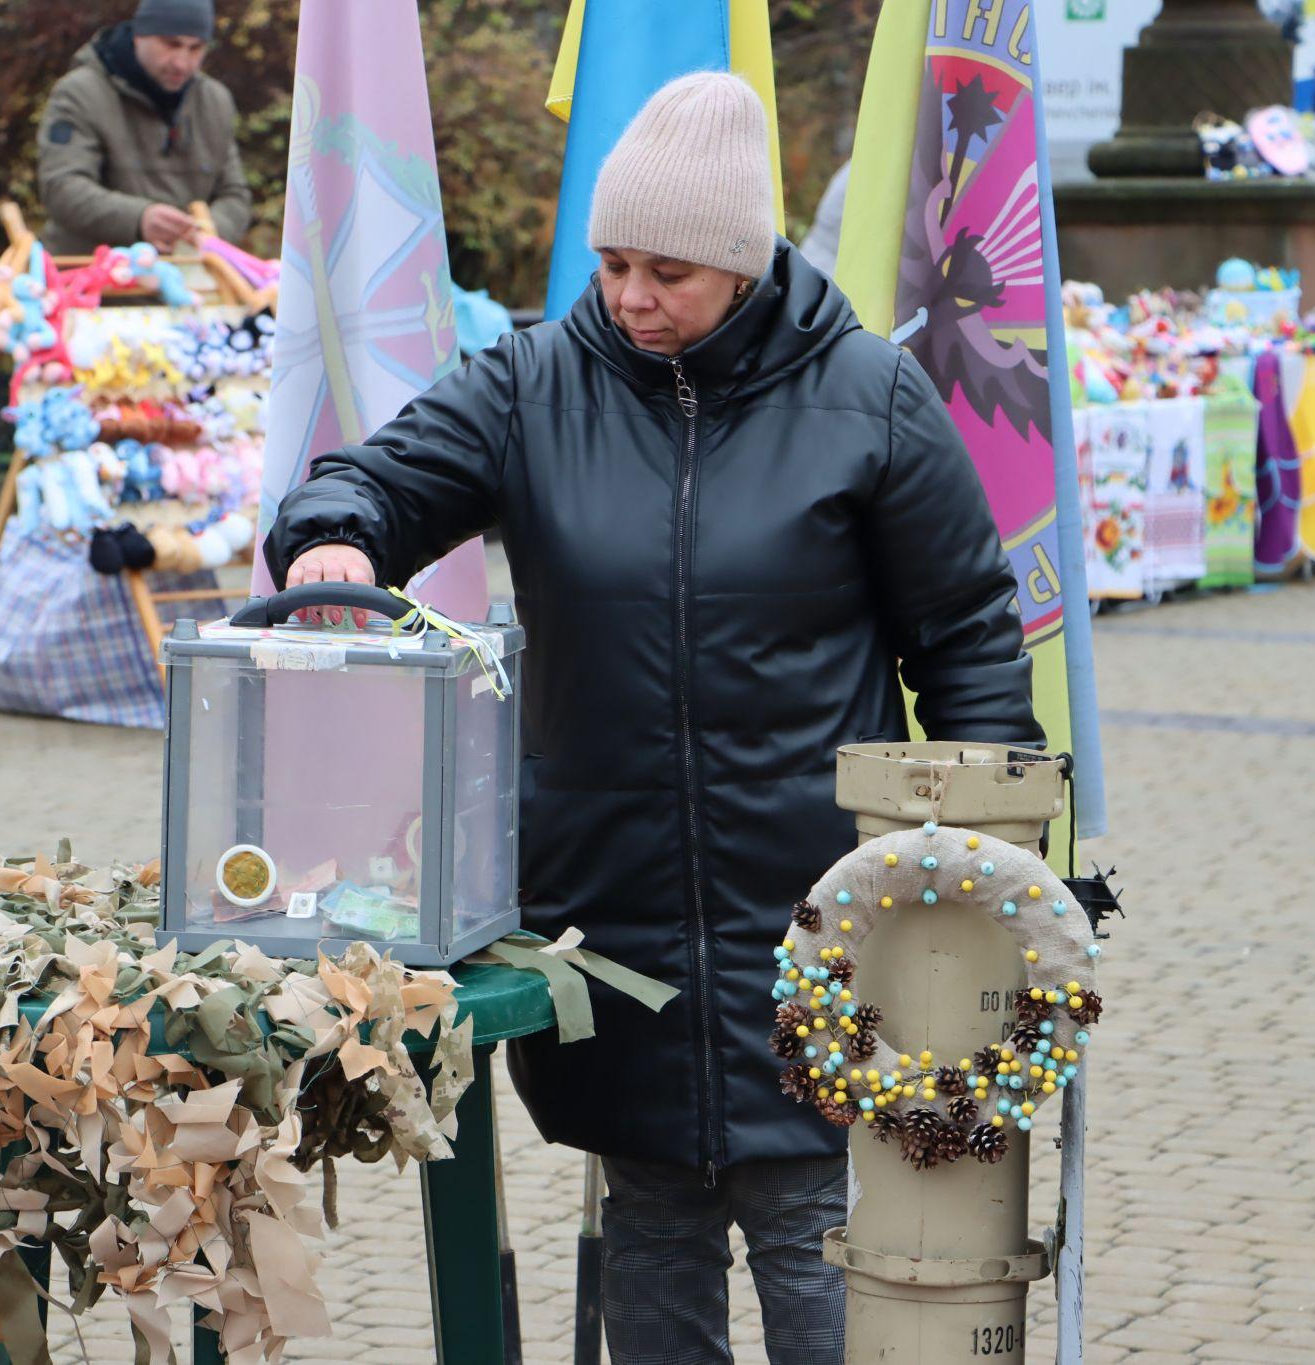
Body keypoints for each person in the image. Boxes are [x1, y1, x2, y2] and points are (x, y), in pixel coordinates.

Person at [263, 73, 1040, 1364]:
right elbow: (371, 479)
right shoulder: (531, 387)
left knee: (815, 1233)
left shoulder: (870, 400)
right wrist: (335, 541)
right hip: (607, 914)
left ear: (742, 262)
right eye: (614, 263)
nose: (630, 296)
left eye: (667, 270)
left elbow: (964, 637)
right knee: (653, 1224)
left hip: (821, 913)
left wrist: (998, 873)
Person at [35, 0, 253, 257]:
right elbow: (62, 186)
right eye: (171, 44)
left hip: (190, 280)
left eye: (196, 48)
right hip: (90, 278)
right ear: (139, 35)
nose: (182, 63)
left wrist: (208, 232)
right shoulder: (80, 93)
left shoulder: (215, 101)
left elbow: (235, 194)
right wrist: (139, 219)